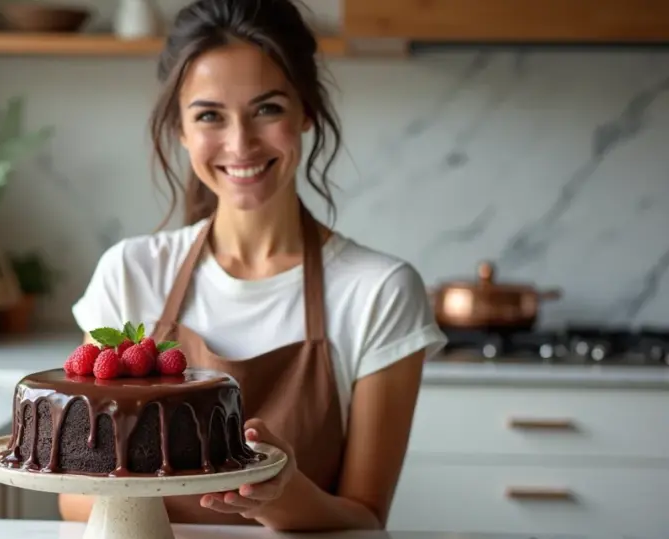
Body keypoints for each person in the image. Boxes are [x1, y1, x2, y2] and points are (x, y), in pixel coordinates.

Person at [62, 0, 447, 532]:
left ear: (306, 110)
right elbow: (74, 498)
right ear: (180, 127)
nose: (240, 143)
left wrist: (279, 494)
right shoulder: (131, 273)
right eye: (209, 115)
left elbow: (365, 519)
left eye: (267, 109)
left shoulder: (380, 291)